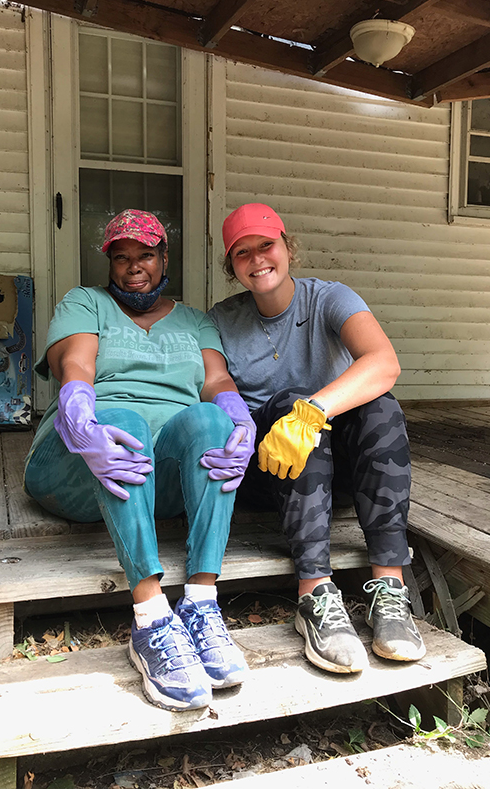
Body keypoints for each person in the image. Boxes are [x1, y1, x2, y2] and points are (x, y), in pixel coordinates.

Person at [24, 209, 255, 711]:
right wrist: (80, 415)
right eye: (122, 257)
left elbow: (214, 381)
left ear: (163, 257)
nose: (134, 267)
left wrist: (239, 417)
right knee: (124, 424)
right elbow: (77, 364)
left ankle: (200, 605)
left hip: (158, 477)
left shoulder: (195, 319)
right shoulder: (86, 303)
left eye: (145, 255)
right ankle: (151, 619)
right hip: (81, 457)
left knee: (211, 421)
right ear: (109, 263)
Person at [208, 202, 426, 675]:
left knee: (379, 405)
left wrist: (314, 411)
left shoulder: (329, 298)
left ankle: (389, 590)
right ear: (232, 266)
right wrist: (282, 418)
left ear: (287, 246)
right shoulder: (221, 320)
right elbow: (216, 387)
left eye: (265, 245)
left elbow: (384, 362)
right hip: (270, 475)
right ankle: (314, 595)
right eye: (241, 252)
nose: (257, 259)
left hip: (340, 478)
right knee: (287, 404)